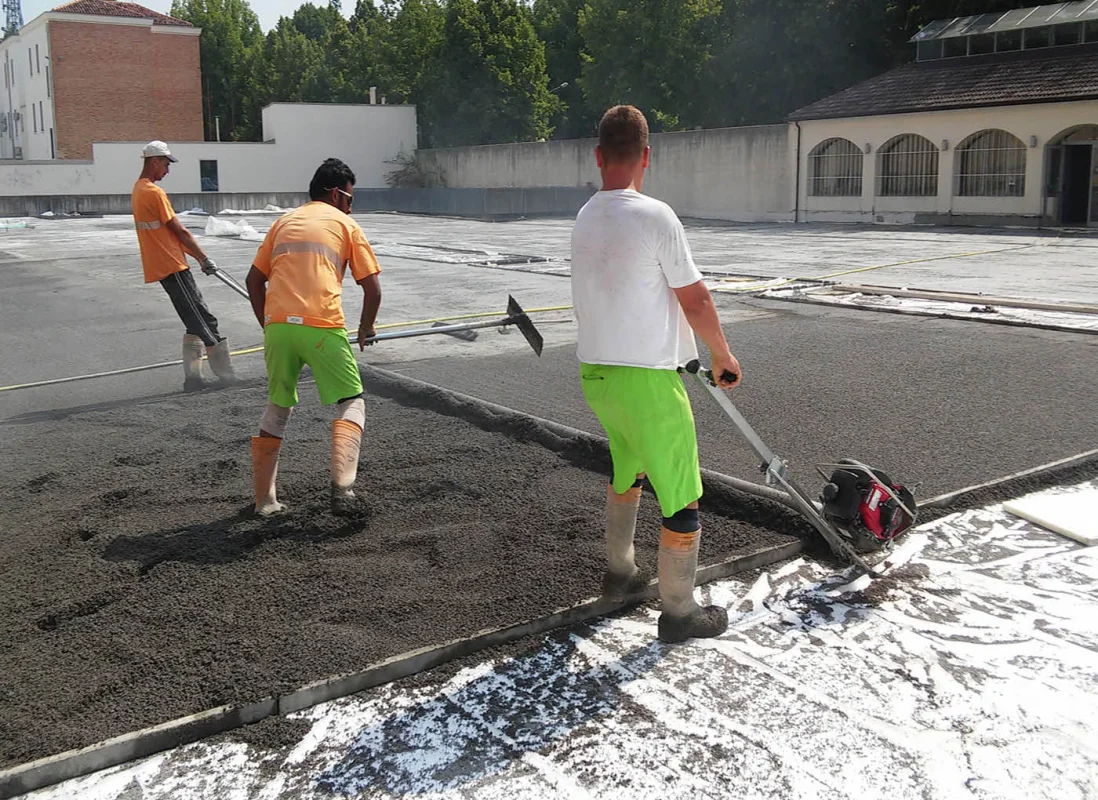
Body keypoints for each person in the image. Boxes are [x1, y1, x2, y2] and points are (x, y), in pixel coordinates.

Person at [571, 105, 744, 644]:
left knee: (630, 472)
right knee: (682, 495)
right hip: (649, 381)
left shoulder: (584, 217)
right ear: (647, 156)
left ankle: (621, 573)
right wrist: (723, 355)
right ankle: (679, 611)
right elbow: (694, 298)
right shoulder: (655, 216)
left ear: (598, 157)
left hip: (597, 376)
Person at [245, 158, 383, 516]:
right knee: (352, 401)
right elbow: (372, 290)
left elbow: (253, 281)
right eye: (350, 198)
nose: (351, 206)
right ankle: (343, 491)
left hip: (277, 326)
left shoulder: (283, 222)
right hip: (322, 325)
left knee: (277, 408)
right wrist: (366, 327)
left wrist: (271, 326)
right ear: (336, 194)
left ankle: (265, 502)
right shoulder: (345, 223)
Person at [132, 140, 238, 392]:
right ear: (155, 161)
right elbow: (179, 231)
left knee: (193, 320)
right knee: (204, 319)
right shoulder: (153, 193)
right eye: (166, 164)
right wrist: (203, 257)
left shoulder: (138, 190)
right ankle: (227, 377)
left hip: (165, 264)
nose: (167, 170)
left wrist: (197, 259)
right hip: (171, 266)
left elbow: (168, 235)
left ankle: (193, 378)